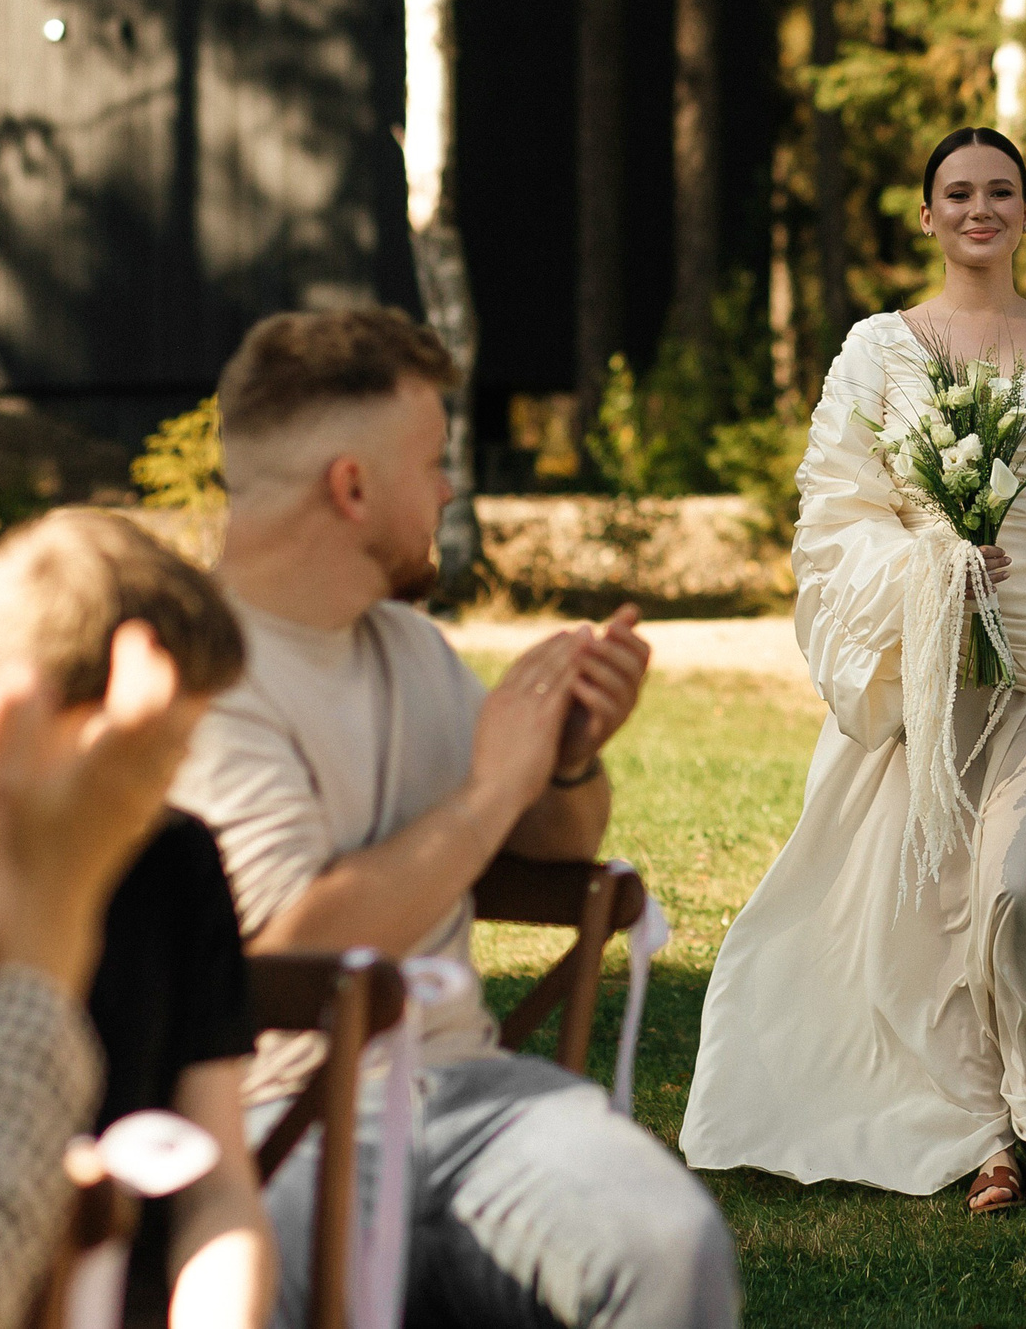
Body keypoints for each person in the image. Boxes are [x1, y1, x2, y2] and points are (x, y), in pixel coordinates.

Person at [678, 126, 1026, 1212]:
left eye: (1001, 192)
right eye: (958, 193)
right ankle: (991, 1131)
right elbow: (835, 510)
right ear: (926, 215)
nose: (980, 208)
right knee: (936, 903)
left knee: (1013, 884)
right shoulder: (875, 347)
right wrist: (933, 564)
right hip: (930, 661)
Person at [165, 307, 740, 1328]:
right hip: (266, 1119)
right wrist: (488, 794)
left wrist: (563, 762)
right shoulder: (197, 677)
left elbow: (552, 847)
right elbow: (299, 948)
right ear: (350, 486)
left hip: (464, 1091)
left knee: (668, 1245)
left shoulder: (407, 645)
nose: (447, 489)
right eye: (433, 462)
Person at [0, 510, 270, 1329]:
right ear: (19, 722)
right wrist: (41, 954)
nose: (168, 786)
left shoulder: (173, 862)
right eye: (152, 753)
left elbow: (219, 1186)